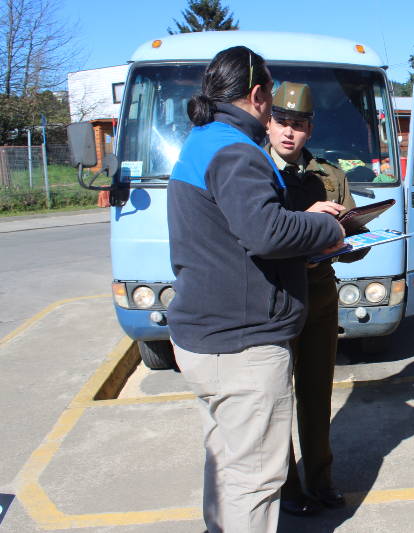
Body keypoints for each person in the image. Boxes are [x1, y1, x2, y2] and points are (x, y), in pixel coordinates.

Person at [167, 47, 344, 533]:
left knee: (225, 465)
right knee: (254, 483)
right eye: (273, 105)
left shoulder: (202, 140)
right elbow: (265, 232)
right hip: (241, 345)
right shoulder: (237, 151)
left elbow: (237, 234)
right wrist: (325, 230)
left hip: (208, 337)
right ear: (259, 95)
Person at [265, 82, 362, 515]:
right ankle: (286, 488)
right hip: (274, 293)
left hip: (321, 290)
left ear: (310, 128)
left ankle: (320, 481)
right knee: (273, 396)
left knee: (317, 391)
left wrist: (358, 234)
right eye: (281, 122)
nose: (289, 132)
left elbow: (351, 233)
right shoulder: (253, 170)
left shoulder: (329, 176)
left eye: (298, 125)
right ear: (267, 122)